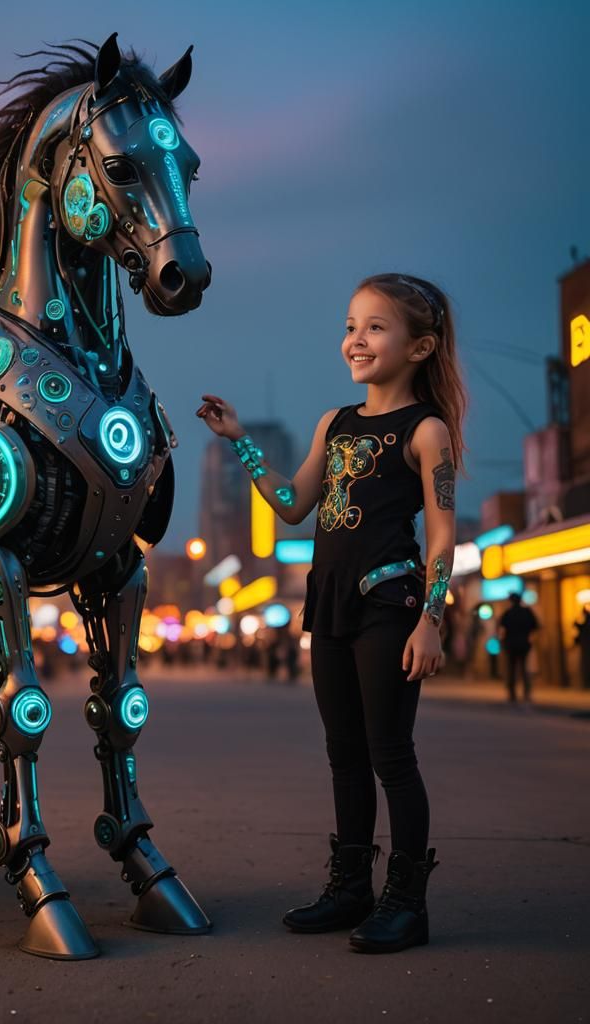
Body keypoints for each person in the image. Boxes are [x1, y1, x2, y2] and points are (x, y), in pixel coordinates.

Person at [198, 272, 467, 954]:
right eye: (351, 326)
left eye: (375, 327)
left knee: (390, 755)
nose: (356, 339)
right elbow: (293, 504)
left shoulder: (427, 430)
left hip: (390, 603)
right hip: (331, 603)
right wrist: (239, 440)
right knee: (343, 754)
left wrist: (432, 618)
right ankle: (351, 889)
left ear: (420, 347)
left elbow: (442, 536)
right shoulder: (335, 424)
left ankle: (407, 903)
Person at [498, 592, 539, 703]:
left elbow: (501, 627)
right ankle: (526, 693)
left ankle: (512, 693)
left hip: (511, 644)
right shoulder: (527, 612)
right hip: (524, 643)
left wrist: (503, 641)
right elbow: (535, 626)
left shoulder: (508, 613)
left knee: (511, 668)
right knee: (524, 668)